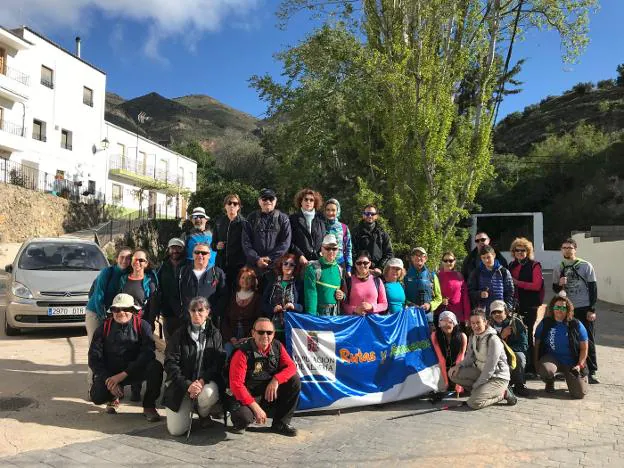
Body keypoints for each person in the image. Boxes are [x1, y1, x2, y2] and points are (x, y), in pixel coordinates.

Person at [88, 294, 163, 422]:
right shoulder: (103, 329)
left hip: (134, 370)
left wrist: (124, 374)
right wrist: (108, 379)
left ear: (133, 310)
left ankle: (149, 406)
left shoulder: (143, 326)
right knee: (97, 397)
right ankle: (112, 397)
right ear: (112, 312)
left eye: (125, 309)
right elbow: (93, 358)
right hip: (112, 372)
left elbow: (148, 352)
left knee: (155, 367)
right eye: (116, 309)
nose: (121, 312)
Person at [163, 297, 225, 436]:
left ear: (208, 312)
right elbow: (170, 363)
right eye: (193, 310)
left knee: (208, 394)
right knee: (176, 431)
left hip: (204, 384)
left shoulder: (215, 334)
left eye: (201, 310)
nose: (197, 313)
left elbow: (218, 362)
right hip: (181, 384)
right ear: (189, 312)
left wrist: (202, 381)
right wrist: (188, 385)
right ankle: (187, 407)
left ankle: (202, 413)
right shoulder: (179, 334)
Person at [228, 318, 301, 436]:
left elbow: (291, 367)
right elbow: (236, 385)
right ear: (253, 333)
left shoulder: (277, 346)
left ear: (274, 334)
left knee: (294, 379)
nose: (265, 335)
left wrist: (276, 380)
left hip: (268, 392)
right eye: (261, 332)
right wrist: (256, 408)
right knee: (243, 417)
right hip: (248, 395)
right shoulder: (242, 353)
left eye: (269, 332)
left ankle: (280, 423)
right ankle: (242, 421)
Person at [448, 309, 517, 409]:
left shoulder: (493, 340)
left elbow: (490, 368)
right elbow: (469, 359)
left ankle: (503, 394)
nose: (475, 326)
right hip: (481, 372)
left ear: (485, 322)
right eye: (473, 323)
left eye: (478, 322)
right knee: (453, 374)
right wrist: (458, 366)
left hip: (497, 377)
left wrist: (477, 385)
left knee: (473, 403)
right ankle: (481, 392)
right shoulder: (473, 336)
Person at [552, 238, 599, 384]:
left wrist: (591, 309)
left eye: (570, 247)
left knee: (588, 339)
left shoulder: (585, 265)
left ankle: (592, 371)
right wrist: (559, 285)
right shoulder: (559, 267)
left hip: (584, 307)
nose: (567, 250)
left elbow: (593, 288)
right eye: (564, 247)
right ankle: (571, 368)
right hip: (567, 309)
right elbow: (555, 290)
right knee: (569, 339)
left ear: (575, 249)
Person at [85, 246, 132, 385]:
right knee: (95, 349)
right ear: (116, 258)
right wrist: (104, 317)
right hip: (96, 312)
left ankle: (109, 384)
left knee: (110, 350)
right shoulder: (108, 272)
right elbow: (98, 295)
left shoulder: (127, 275)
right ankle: (92, 385)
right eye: (122, 257)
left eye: (128, 258)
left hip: (113, 315)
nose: (125, 260)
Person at [534, 294, 589, 399]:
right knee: (546, 371)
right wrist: (536, 362)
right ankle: (550, 381)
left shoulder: (576, 325)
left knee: (579, 394)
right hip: (552, 359)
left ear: (568, 309)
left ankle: (578, 379)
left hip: (572, 363)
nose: (559, 310)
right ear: (552, 308)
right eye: (557, 307)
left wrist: (580, 365)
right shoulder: (546, 323)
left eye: (563, 307)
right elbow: (537, 344)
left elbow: (584, 348)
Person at [508, 237, 544, 374]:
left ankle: (531, 367)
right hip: (515, 306)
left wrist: (518, 283)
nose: (520, 253)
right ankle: (518, 365)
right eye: (517, 250)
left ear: (528, 251)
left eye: (523, 250)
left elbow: (536, 286)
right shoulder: (512, 265)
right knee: (516, 334)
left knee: (527, 334)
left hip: (530, 306)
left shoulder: (535, 265)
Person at [242, 188, 292, 278]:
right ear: (259, 201)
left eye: (271, 198)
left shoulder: (283, 218)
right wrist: (256, 259)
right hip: (254, 267)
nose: (268, 201)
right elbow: (246, 242)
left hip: (276, 267)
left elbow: (285, 243)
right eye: (264, 199)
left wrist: (270, 258)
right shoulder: (251, 218)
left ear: (275, 200)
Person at [179, 243, 228, 327]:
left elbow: (224, 296)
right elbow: (177, 293)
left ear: (209, 255)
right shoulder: (183, 271)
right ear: (193, 254)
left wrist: (212, 313)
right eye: (197, 252)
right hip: (188, 320)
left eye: (204, 253)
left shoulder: (217, 273)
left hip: (210, 321)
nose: (200, 255)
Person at [489, 300, 529, 397]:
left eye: (499, 312)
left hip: (513, 351)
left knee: (519, 357)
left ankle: (519, 384)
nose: (496, 314)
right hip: (495, 353)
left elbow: (524, 345)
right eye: (494, 312)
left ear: (506, 311)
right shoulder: (488, 326)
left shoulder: (516, 323)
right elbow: (487, 345)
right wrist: (501, 336)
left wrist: (508, 351)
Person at [221, 267, 262, 357]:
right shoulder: (231, 297)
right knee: (228, 357)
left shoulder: (257, 299)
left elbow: (259, 321)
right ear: (239, 280)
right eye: (243, 277)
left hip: (250, 339)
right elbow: (225, 320)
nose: (245, 280)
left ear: (253, 281)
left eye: (249, 278)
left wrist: (248, 338)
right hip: (231, 338)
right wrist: (231, 338)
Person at [262, 253, 304, 341]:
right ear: (281, 265)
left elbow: (303, 306)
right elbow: (263, 304)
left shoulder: (298, 284)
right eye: (285, 263)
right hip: (272, 329)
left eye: (292, 265)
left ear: (295, 267)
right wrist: (273, 308)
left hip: (291, 328)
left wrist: (294, 306)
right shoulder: (272, 283)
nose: (288, 266)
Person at [211, 194, 248, 291]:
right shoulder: (219, 223)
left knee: (236, 292)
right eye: (229, 203)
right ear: (225, 206)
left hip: (238, 267)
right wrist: (216, 245)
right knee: (220, 292)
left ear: (238, 207)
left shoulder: (244, 223)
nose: (232, 205)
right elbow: (213, 245)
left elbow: (248, 245)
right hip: (221, 266)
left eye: (235, 204)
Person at [303, 234, 345, 316]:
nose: (331, 251)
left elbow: (344, 293)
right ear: (322, 249)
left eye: (334, 249)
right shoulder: (312, 268)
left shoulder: (340, 269)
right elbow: (310, 295)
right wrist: (312, 318)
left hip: (335, 315)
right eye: (328, 248)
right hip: (319, 316)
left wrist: (342, 296)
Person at [468, 245, 514, 315]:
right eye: (483, 258)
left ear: (494, 255)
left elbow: (510, 293)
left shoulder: (504, 271)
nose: (486, 260)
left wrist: (507, 309)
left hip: (500, 311)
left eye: (488, 257)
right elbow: (470, 292)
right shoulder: (476, 272)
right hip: (483, 312)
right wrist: (479, 294)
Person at [118, 249, 159, 329]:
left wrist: (149, 326)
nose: (137, 262)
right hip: (124, 324)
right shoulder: (123, 279)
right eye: (134, 259)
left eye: (141, 260)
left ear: (146, 264)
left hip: (142, 325)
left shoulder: (150, 282)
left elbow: (153, 308)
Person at [430, 311, 467, 394]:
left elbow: (460, 359)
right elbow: (441, 358)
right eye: (443, 322)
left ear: (454, 323)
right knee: (441, 386)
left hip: (456, 367)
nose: (446, 325)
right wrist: (445, 382)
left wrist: (459, 383)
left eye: (450, 322)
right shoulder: (435, 335)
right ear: (439, 324)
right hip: (441, 366)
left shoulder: (462, 336)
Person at [351, 204, 393, 274]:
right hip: (359, 271)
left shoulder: (383, 234)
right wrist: (361, 267)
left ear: (376, 216)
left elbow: (389, 253)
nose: (369, 216)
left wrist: (380, 268)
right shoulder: (355, 232)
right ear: (363, 215)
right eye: (367, 213)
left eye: (372, 214)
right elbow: (351, 252)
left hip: (378, 272)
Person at [158, 238, 186, 341]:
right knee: (169, 343)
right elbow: (158, 287)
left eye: (178, 248)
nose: (175, 251)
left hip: (184, 312)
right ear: (168, 250)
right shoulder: (163, 266)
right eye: (172, 248)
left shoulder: (189, 266)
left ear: (183, 249)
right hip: (167, 311)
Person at [405, 247, 442, 323]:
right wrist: (409, 304)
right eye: (416, 255)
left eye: (422, 255)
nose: (419, 258)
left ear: (426, 258)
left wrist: (430, 305)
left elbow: (439, 298)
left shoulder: (432, 276)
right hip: (410, 315)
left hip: (428, 318)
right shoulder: (404, 275)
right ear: (412, 258)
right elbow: (401, 297)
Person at [290, 188, 325, 269]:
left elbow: (323, 239)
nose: (308, 202)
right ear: (301, 201)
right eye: (306, 199)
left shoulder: (321, 219)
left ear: (315, 203)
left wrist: (321, 255)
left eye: (311, 200)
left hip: (318, 261)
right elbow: (290, 241)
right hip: (299, 262)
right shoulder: (293, 219)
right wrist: (300, 255)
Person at [436, 251, 471, 327]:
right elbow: (433, 295)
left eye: (451, 260)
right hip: (442, 313)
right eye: (445, 261)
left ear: (454, 261)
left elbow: (465, 297)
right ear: (442, 262)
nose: (448, 263)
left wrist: (467, 316)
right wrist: (441, 300)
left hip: (457, 314)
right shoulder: (437, 276)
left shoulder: (459, 276)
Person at [324, 198, 353, 276]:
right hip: (323, 264)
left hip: (340, 264)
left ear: (337, 211)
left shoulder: (344, 227)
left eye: (333, 210)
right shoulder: (320, 225)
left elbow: (348, 248)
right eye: (328, 210)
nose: (330, 212)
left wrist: (349, 268)